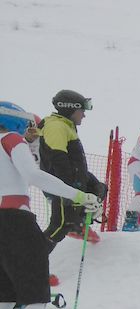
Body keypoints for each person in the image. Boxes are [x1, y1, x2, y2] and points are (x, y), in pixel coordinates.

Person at [0, 101, 102, 309]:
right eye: (28, 125)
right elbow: (33, 176)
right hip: (16, 219)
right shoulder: (11, 139)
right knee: (35, 292)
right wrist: (79, 196)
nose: (31, 131)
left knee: (4, 292)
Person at [41, 89, 106, 251]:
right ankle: (32, 259)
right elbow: (58, 159)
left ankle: (77, 224)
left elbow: (74, 163)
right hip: (61, 185)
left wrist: (88, 182)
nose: (84, 115)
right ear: (70, 109)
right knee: (60, 225)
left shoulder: (66, 126)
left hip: (73, 180)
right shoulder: (56, 127)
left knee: (99, 189)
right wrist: (71, 189)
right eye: (81, 110)